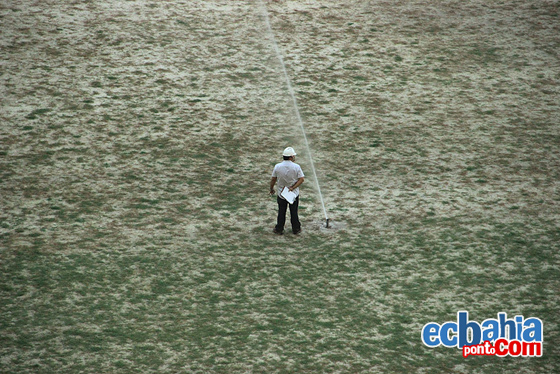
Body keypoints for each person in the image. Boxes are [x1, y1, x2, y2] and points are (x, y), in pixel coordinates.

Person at [269, 147, 305, 235]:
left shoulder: (277, 166)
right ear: (290, 157)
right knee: (294, 212)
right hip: (293, 194)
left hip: (281, 193)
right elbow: (301, 179)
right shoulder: (296, 167)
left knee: (281, 212)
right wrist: (293, 187)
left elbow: (273, 179)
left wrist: (271, 188)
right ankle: (296, 229)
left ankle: (279, 229)